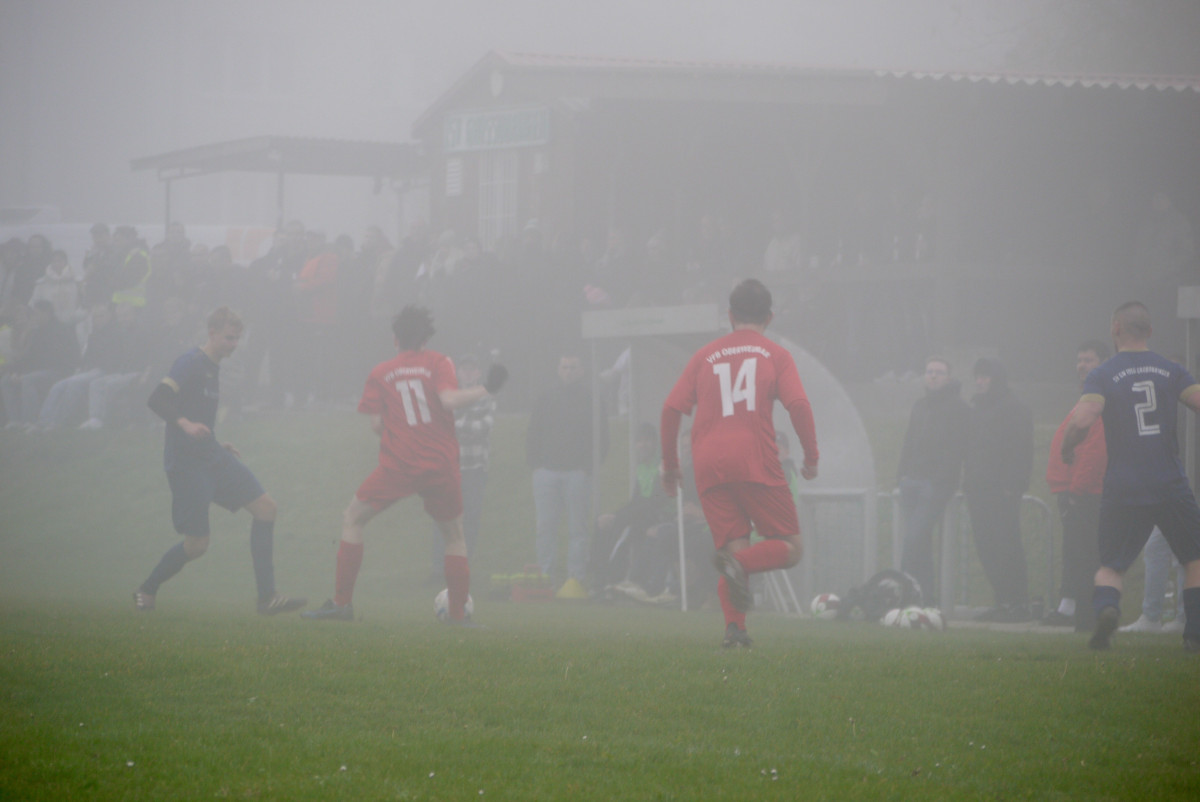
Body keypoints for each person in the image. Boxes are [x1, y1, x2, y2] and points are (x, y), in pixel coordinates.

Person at [303, 306, 508, 623]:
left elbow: (376, 425)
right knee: (454, 536)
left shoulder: (381, 372)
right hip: (440, 463)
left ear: (395, 339)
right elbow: (449, 401)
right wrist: (486, 389)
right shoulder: (439, 362)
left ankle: (342, 604)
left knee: (353, 518)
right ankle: (457, 616)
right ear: (425, 338)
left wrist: (400, 423)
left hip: (400, 464)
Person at [660, 278, 819, 648]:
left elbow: (671, 409)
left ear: (729, 316)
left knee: (735, 547)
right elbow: (798, 405)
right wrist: (811, 456)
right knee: (791, 548)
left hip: (708, 465)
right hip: (755, 458)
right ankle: (740, 569)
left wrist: (670, 466)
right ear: (770, 317)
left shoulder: (704, 355)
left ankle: (735, 630)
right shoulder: (776, 355)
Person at [133, 307, 306, 615]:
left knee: (266, 508)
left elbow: (200, 417)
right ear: (211, 333)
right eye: (229, 337)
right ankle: (147, 588)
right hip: (186, 464)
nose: (234, 344)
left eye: (238, 338)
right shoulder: (190, 363)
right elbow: (157, 399)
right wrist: (185, 424)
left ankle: (267, 598)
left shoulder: (214, 368)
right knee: (197, 545)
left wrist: (215, 441)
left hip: (212, 455)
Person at [1062, 301, 1200, 652]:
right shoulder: (1171, 371)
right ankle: (1195, 634)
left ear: (1115, 329)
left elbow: (1082, 420)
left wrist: (1068, 446)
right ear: (1150, 331)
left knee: (1111, 564)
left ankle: (1107, 610)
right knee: (1193, 558)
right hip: (1169, 481)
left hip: (1123, 484)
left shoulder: (1103, 374)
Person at [526, 351, 608, 598]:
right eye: (564, 367)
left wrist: (589, 468)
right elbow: (533, 432)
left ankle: (576, 579)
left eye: (573, 367)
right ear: (558, 369)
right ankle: (545, 580)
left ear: (581, 370)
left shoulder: (591, 399)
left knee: (578, 530)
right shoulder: (546, 397)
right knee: (545, 529)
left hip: (577, 475)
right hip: (546, 473)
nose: (568, 371)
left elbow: (602, 436)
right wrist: (536, 465)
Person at [1043, 340, 1109, 631]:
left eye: (1089, 360)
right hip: (1070, 490)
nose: (1082, 365)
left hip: (1084, 495)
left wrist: (1076, 490)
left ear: (1103, 363)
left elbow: (1096, 449)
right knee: (1074, 553)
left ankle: (1085, 617)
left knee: (1085, 556)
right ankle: (1072, 609)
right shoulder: (1087, 396)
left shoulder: (1099, 400)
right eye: (1079, 359)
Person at [963, 357, 1034, 622]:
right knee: (986, 546)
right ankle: (1002, 600)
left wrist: (1013, 485)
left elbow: (1021, 449)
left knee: (1007, 545)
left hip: (1002, 490)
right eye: (977, 376)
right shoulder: (977, 408)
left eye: (985, 376)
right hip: (977, 488)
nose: (980, 381)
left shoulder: (1015, 408)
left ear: (997, 378)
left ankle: (1017, 603)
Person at [895, 355, 969, 601]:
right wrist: (901, 476)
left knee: (913, 539)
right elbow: (908, 441)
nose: (933, 375)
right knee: (921, 544)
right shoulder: (920, 405)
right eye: (929, 371)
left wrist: (939, 480)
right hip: (911, 482)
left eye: (938, 372)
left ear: (949, 378)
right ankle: (925, 599)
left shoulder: (958, 408)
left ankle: (904, 593)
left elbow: (957, 448)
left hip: (935, 486)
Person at [427, 353, 497, 576]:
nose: (468, 373)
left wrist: (457, 423)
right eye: (464, 369)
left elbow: (482, 428)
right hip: (448, 468)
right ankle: (439, 567)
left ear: (478, 373)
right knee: (443, 518)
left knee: (470, 519)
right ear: (458, 372)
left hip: (475, 469)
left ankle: (461, 568)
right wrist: (463, 423)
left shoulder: (487, 397)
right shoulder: (447, 396)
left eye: (473, 369)